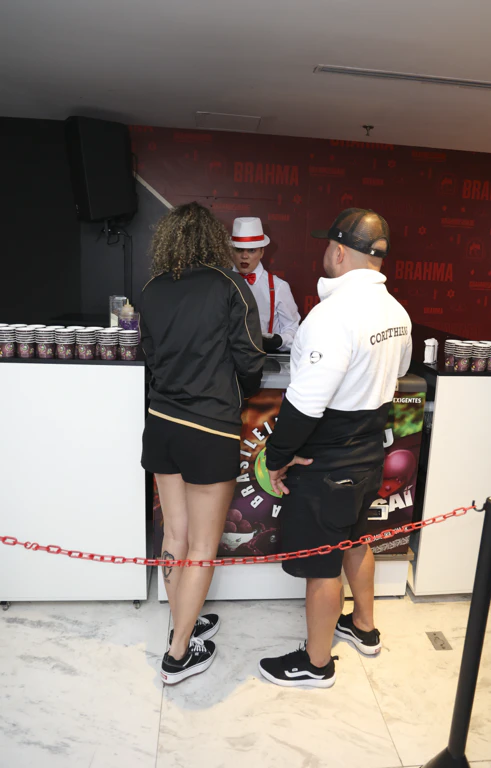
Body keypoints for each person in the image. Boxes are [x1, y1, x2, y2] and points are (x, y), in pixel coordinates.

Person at [258, 208, 412, 688]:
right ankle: (363, 627)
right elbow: (398, 373)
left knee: (323, 563)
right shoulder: (397, 311)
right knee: (357, 539)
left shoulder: (332, 316)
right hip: (369, 453)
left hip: (328, 460)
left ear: (340, 252)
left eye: (329, 245)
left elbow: (305, 403)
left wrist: (277, 457)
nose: (325, 252)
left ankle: (316, 663)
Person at [139, 202, 265, 685]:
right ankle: (178, 655)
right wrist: (239, 390)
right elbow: (251, 359)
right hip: (209, 428)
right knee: (203, 547)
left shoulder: (152, 288)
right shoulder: (229, 285)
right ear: (214, 240)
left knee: (175, 536)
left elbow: (151, 354)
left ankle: (182, 623)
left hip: (161, 423)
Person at [231, 217, 300, 353]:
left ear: (262, 252)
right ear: (231, 251)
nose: (244, 256)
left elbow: (293, 330)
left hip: (263, 361)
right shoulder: (220, 283)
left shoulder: (278, 287)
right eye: (239, 249)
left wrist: (278, 341)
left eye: (251, 250)